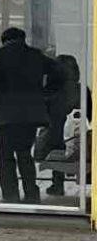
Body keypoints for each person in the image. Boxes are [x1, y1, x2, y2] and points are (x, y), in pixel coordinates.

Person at [0, 27, 63, 203]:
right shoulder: (35, 55)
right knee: (25, 154)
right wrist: (45, 93)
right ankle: (31, 193)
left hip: (6, 115)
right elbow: (58, 71)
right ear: (23, 39)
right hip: (30, 115)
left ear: (5, 40)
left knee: (5, 156)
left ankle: (10, 194)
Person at [36, 53, 82, 197]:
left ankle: (57, 184)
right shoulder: (81, 90)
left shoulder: (50, 92)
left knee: (56, 152)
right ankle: (57, 184)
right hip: (75, 137)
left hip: (54, 135)